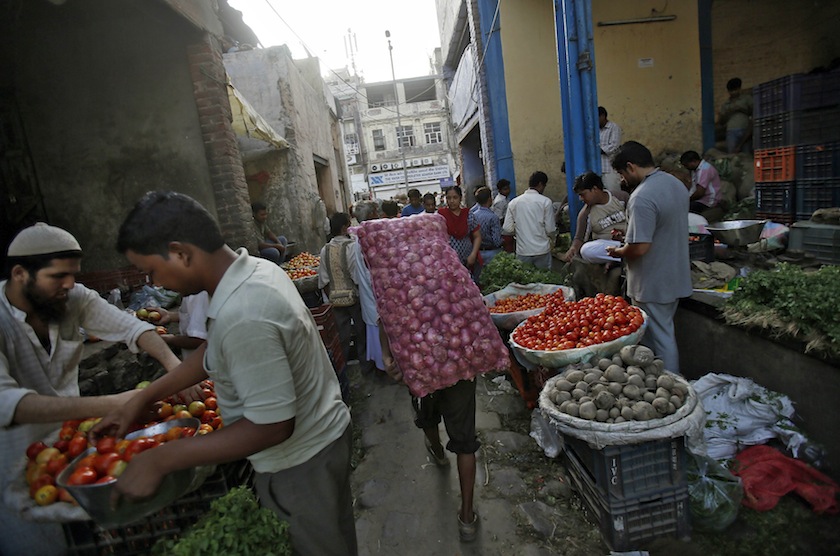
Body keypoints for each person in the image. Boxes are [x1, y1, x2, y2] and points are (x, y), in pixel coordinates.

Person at [93, 192, 356, 556]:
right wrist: (143, 396)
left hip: (300, 465)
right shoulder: (252, 271)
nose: (155, 282)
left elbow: (274, 425)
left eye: (152, 270)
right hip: (324, 440)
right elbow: (209, 351)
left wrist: (161, 459)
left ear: (181, 252)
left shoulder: (243, 311)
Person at [0, 223, 186, 556]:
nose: (69, 284)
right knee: (37, 544)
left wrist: (176, 368)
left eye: (73, 275)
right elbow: (6, 402)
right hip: (14, 460)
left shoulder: (73, 298)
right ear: (19, 274)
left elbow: (134, 328)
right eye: (58, 276)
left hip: (72, 445)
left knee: (89, 537)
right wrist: (112, 403)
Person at [606, 142, 692, 374]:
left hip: (653, 281)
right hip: (675, 275)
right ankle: (659, 382)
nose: (622, 179)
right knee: (658, 335)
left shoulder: (642, 196)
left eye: (621, 173)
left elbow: (640, 248)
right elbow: (663, 227)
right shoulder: (676, 184)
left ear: (631, 167)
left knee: (662, 339)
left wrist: (619, 252)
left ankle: (672, 385)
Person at [319, 212, 365, 380]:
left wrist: (329, 298)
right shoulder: (352, 247)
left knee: (341, 336)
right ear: (345, 227)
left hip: (334, 298)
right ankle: (365, 367)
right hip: (353, 296)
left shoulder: (325, 249)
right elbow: (356, 275)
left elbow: (323, 279)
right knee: (361, 332)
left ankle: (342, 369)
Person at [349, 201, 386, 374]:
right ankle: (384, 366)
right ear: (371, 215)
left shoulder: (360, 237)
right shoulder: (366, 238)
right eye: (375, 211)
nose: (378, 213)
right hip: (374, 294)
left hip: (369, 294)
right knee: (378, 331)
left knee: (374, 329)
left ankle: (381, 365)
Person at [563, 171, 629, 265]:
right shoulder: (585, 214)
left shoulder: (621, 197)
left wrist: (625, 237)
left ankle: (622, 253)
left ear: (595, 189)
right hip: (607, 246)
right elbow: (579, 238)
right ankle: (621, 256)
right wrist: (573, 248)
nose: (581, 199)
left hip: (628, 240)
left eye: (583, 194)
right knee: (586, 250)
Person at [502, 171, 556, 270]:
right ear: (540, 184)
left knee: (526, 282)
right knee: (545, 280)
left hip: (523, 251)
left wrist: (520, 230)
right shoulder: (546, 202)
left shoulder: (514, 203)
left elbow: (507, 229)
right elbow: (550, 229)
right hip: (542, 250)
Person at [144, 290, 210, 360]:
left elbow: (199, 340)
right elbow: (193, 316)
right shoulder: (191, 293)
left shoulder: (199, 295)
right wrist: (170, 316)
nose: (158, 284)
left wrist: (168, 339)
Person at [438, 186, 481, 269]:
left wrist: (473, 255)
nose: (452, 201)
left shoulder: (468, 215)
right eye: (449, 198)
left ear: (460, 198)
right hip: (448, 261)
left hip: (467, 259)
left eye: (455, 197)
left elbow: (477, 236)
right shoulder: (441, 216)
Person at [471, 187, 502, 281]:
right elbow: (497, 241)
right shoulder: (493, 217)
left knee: (479, 281)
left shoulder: (472, 215)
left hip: (477, 254)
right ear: (489, 199)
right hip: (492, 254)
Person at [680, 150, 723, 215]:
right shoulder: (695, 170)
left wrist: (687, 200)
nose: (686, 168)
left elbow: (700, 192)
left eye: (686, 165)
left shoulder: (705, 170)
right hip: (702, 199)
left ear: (693, 161)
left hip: (709, 201)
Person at [718, 77, 753, 154]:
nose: (733, 92)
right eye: (731, 91)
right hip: (731, 131)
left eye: (735, 90)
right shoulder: (726, 104)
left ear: (739, 89)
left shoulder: (747, 99)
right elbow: (721, 122)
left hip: (745, 130)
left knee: (746, 155)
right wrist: (728, 112)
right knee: (732, 154)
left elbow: (754, 113)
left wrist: (741, 109)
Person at [599, 107, 623, 193]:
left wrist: (598, 150)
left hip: (609, 168)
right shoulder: (595, 130)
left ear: (602, 116)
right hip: (598, 168)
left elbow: (614, 146)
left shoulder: (614, 127)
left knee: (614, 193)